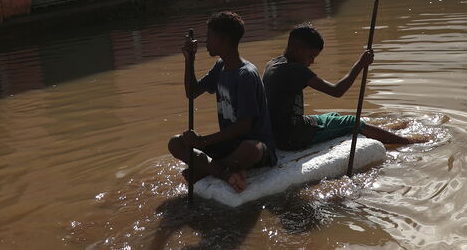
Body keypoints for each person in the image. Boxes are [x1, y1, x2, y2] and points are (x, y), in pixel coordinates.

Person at [263, 23, 423, 151]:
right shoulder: (295, 69)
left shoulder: (273, 63)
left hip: (283, 131)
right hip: (293, 137)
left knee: (334, 115)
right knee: (352, 123)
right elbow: (337, 91)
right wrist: (360, 64)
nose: (312, 61)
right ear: (297, 49)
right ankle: (408, 141)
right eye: (311, 56)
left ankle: (387, 129)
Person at [168, 11, 277, 193]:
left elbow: (243, 128)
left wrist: (202, 142)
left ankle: (207, 168)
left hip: (250, 145)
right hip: (229, 144)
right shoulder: (220, 66)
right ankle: (222, 172)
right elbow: (192, 92)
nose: (205, 42)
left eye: (209, 37)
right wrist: (189, 60)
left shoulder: (246, 75)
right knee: (175, 143)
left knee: (252, 149)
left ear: (221, 40)